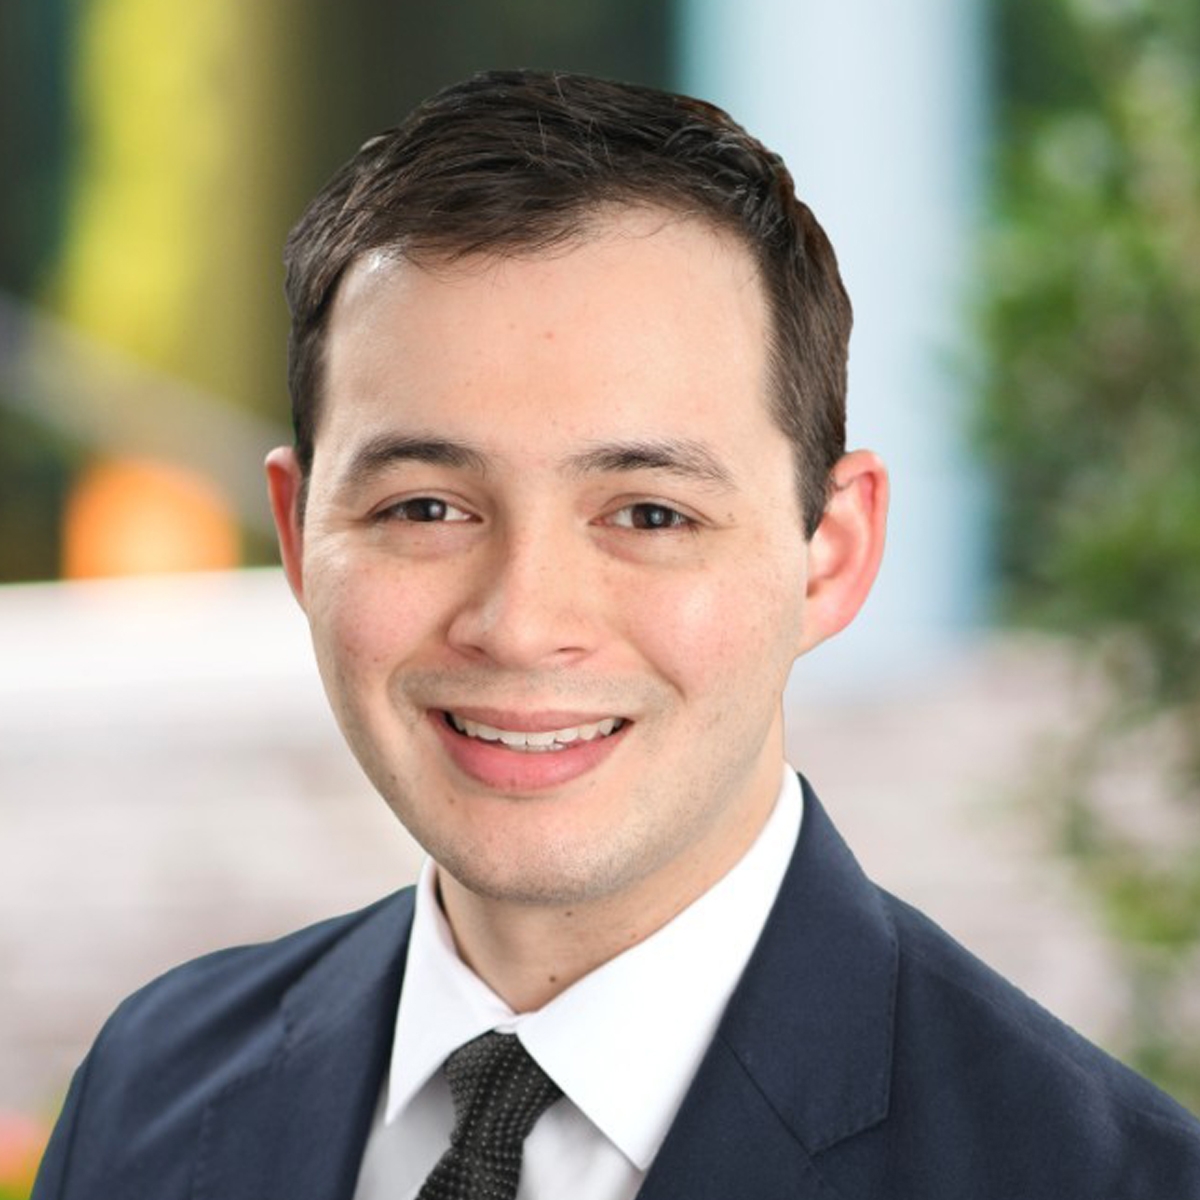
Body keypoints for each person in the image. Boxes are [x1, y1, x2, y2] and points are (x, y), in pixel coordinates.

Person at [32, 69, 1200, 1200]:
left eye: (650, 513)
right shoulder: (152, 1090)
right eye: (426, 508)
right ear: (297, 535)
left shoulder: (1100, 1177)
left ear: (830, 553)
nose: (522, 622)